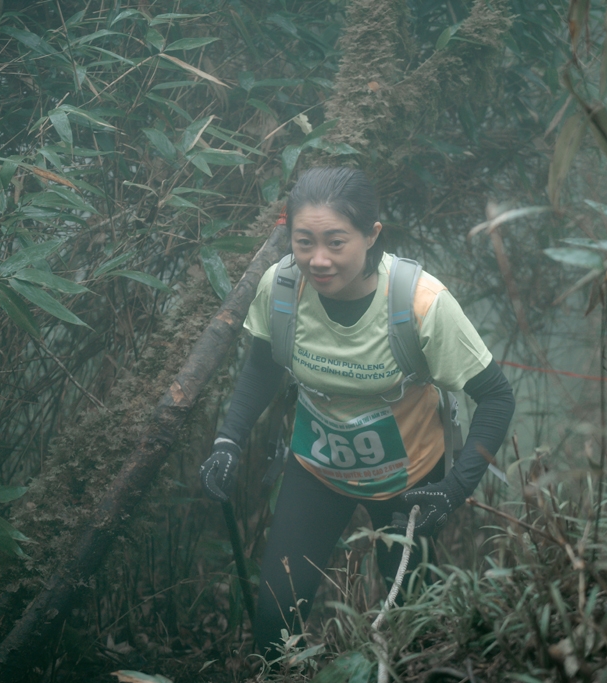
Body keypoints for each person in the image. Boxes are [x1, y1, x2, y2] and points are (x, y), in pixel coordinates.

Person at [199, 167, 514, 656]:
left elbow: (496, 397)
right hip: (316, 471)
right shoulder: (280, 288)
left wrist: (454, 490)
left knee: (407, 623)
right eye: (303, 242)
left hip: (411, 481)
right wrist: (229, 439)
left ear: (372, 236)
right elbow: (263, 368)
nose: (318, 260)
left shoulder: (421, 303)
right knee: (274, 618)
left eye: (336, 242)